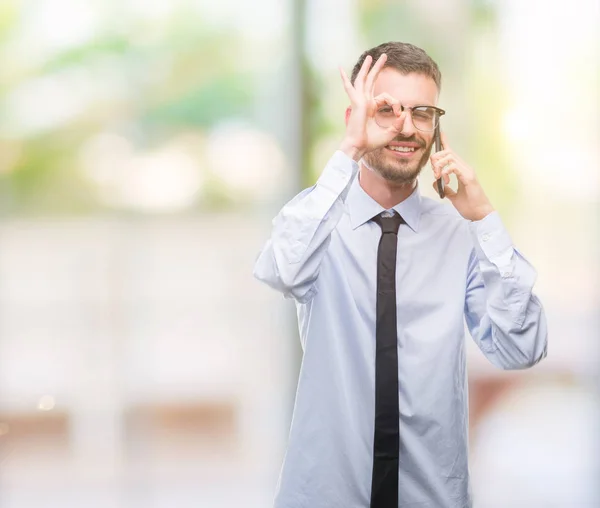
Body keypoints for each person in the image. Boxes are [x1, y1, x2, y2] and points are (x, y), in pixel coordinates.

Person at [253, 41, 548, 508]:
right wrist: (347, 150)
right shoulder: (317, 221)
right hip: (326, 495)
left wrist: (485, 219)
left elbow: (521, 348)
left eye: (423, 112)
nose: (406, 127)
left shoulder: (460, 234)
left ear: (436, 126)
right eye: (386, 110)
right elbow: (282, 272)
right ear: (356, 117)